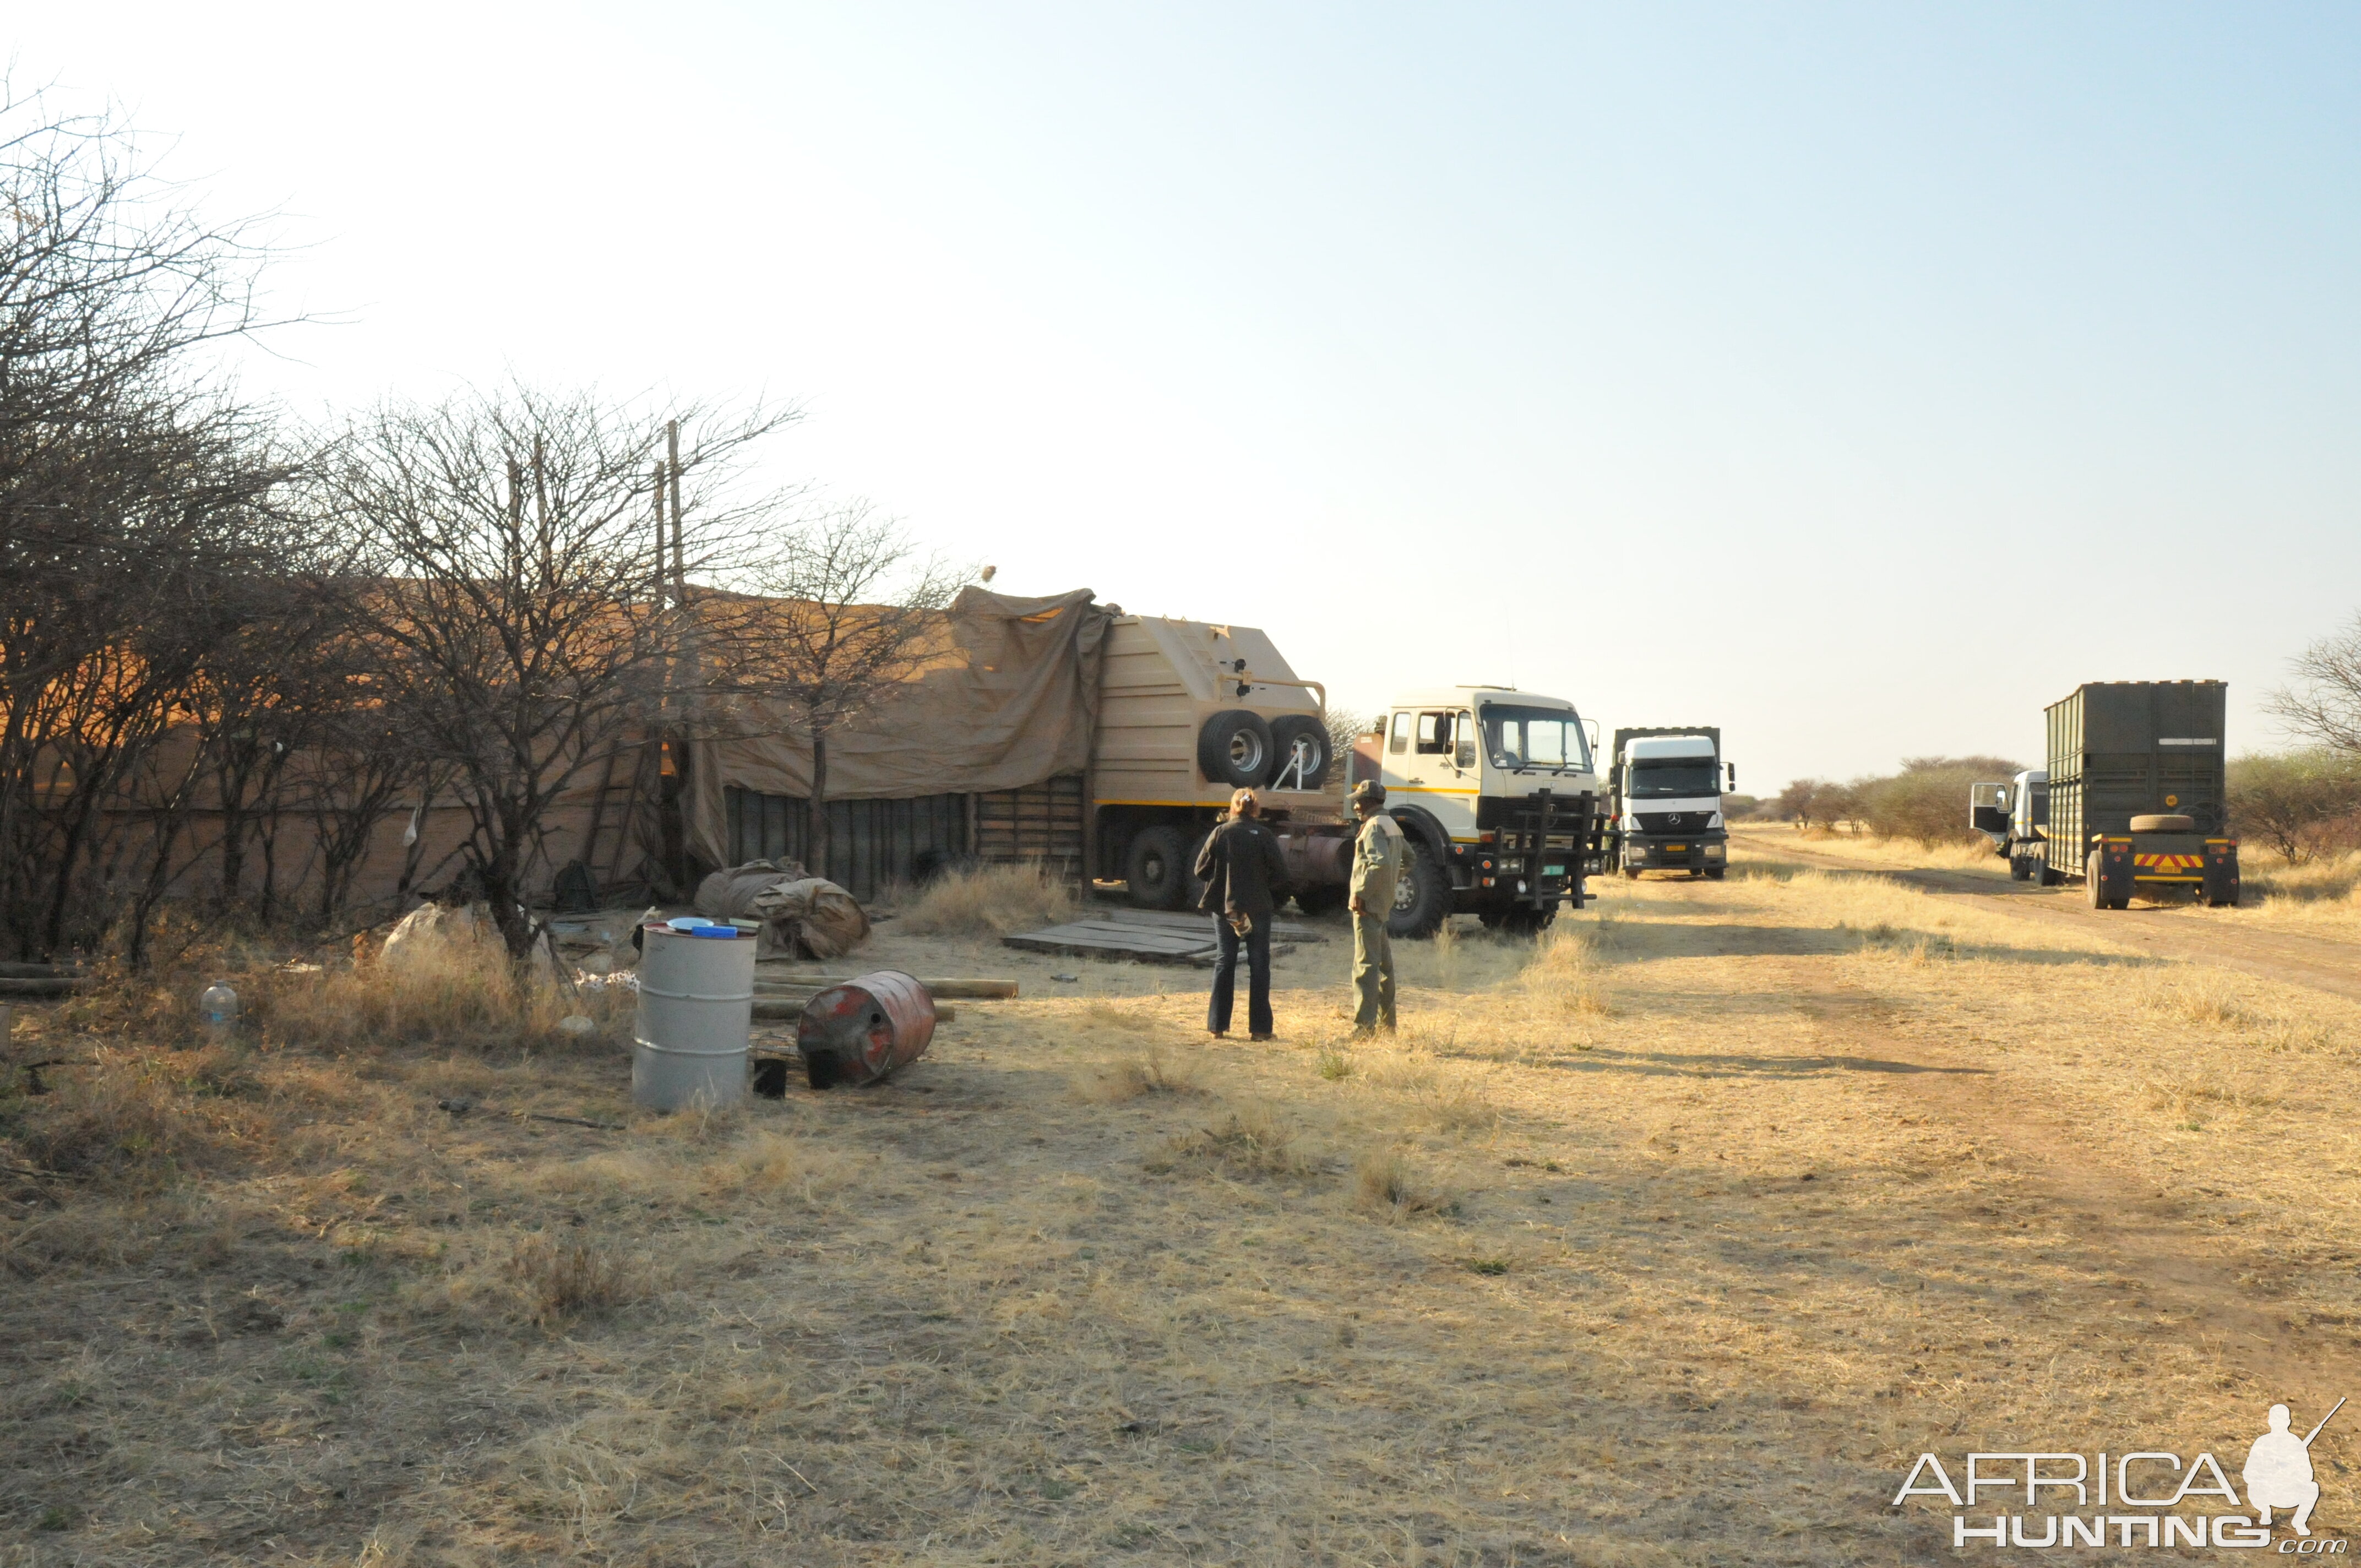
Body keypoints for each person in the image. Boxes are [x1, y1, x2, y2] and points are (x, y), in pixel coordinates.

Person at [1194, 787, 1289, 1041]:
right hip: (1258, 907)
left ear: (1233, 807)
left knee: (1225, 961)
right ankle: (1260, 1030)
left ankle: (1217, 1026)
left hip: (1226, 909)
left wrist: (1222, 878)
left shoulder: (1221, 832)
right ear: (1255, 809)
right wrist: (1261, 885)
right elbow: (1281, 874)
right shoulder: (1265, 835)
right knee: (1259, 965)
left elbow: (1200, 870)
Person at [1348, 780, 1404, 1037]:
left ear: (1370, 802)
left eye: (1359, 801)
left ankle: (1364, 1029)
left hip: (1367, 906)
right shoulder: (1392, 825)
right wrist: (1390, 882)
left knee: (1365, 966)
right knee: (1384, 967)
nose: (1356, 806)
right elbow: (1409, 859)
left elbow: (1379, 864)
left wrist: (1360, 893)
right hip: (1383, 903)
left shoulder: (1372, 827)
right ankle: (1387, 1025)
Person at [2245, 1402, 2326, 1536]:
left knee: (2313, 1487)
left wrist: (2291, 1473)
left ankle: (2300, 1522)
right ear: (2270, 1421)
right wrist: (2267, 1474)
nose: (2278, 1423)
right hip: (2265, 1492)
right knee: (2254, 1486)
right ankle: (2265, 1512)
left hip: (2288, 1492)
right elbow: (2248, 1472)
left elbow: (2308, 1474)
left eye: (2282, 1420)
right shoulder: (2262, 1442)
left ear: (2288, 1422)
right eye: (2275, 1420)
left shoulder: (2295, 1443)